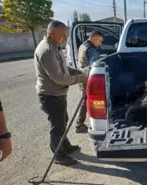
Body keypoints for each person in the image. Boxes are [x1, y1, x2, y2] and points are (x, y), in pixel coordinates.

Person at [34, 20, 88, 166]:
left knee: (63, 120)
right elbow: (60, 78)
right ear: (51, 33)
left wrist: (79, 72)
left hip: (56, 94)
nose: (65, 38)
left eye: (66, 35)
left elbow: (65, 69)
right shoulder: (47, 51)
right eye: (63, 35)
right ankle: (58, 155)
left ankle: (65, 146)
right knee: (57, 126)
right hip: (50, 95)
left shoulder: (55, 47)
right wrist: (81, 78)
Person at [75, 31, 104, 133]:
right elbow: (96, 65)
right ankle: (79, 124)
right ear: (94, 38)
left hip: (82, 75)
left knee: (85, 99)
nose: (100, 44)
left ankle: (80, 123)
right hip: (88, 78)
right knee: (87, 100)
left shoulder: (83, 46)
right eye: (100, 41)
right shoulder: (91, 50)